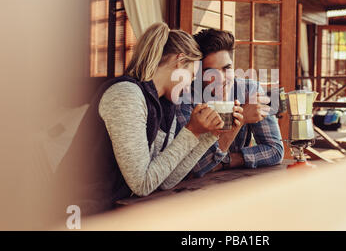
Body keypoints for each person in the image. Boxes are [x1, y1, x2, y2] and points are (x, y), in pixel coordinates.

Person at [54, 23, 244, 216]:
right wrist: (191, 131)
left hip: (115, 210)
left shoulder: (164, 105)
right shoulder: (125, 95)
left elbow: (166, 180)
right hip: (79, 211)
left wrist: (208, 135)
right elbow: (142, 184)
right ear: (179, 62)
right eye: (191, 75)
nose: (189, 88)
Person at [177, 29, 284, 178]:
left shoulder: (249, 90)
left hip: (234, 184)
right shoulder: (185, 98)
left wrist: (227, 161)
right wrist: (240, 121)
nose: (221, 78)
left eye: (226, 68)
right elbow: (192, 168)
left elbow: (275, 150)